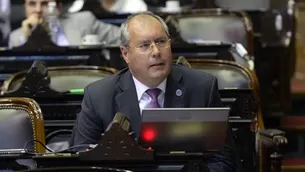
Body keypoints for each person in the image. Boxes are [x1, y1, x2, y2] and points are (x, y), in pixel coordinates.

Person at [70, 12, 238, 172]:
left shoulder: (202, 87)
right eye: (145, 45)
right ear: (125, 53)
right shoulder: (99, 96)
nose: (156, 52)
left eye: (161, 41)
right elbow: (81, 158)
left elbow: (223, 157)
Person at [8, 0, 120, 48]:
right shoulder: (16, 38)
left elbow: (124, 37)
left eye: (45, 4)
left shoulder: (84, 21)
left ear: (59, 8)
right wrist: (27, 37)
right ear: (25, 8)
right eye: (32, 4)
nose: (38, 10)